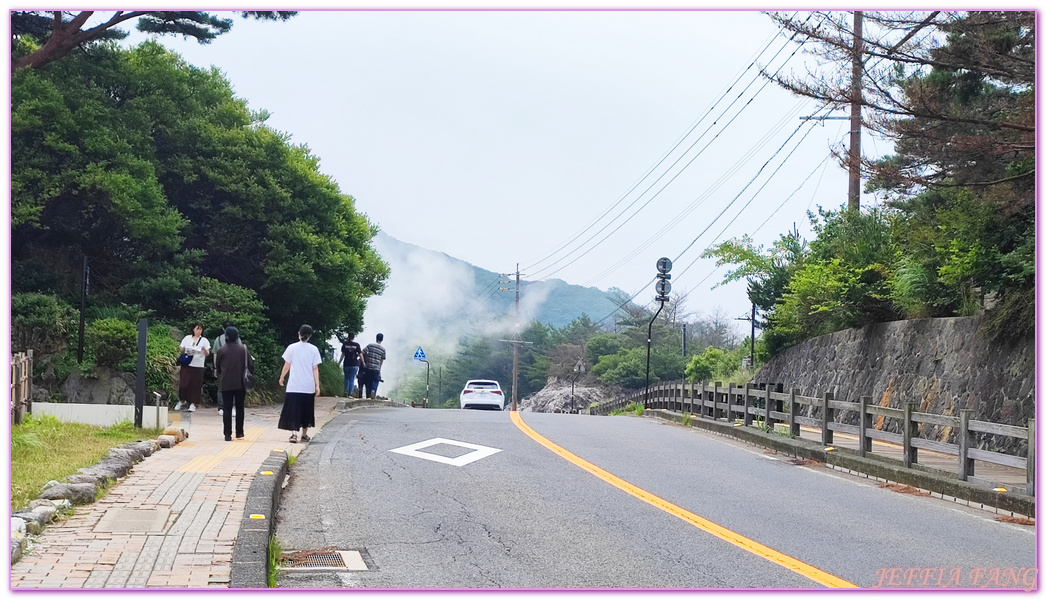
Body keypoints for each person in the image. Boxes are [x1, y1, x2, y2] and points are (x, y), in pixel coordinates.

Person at [277, 324, 322, 444]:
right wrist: (317, 385)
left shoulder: (292, 348)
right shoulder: (314, 349)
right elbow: (315, 368)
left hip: (294, 385)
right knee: (306, 410)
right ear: (310, 336)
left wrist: (282, 378)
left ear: (299, 334)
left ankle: (293, 435)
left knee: (293, 410)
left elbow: (287, 365)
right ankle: (304, 434)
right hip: (308, 386)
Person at [214, 326, 254, 442]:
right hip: (241, 383)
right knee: (240, 407)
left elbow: (218, 367)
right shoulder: (244, 349)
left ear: (226, 336)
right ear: (237, 336)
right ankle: (239, 432)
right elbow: (251, 366)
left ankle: (227, 434)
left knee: (227, 408)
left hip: (226, 383)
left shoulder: (222, 350)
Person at [176, 323, 210, 412]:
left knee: (196, 385)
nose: (199, 331)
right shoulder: (187, 338)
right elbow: (181, 349)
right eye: (197, 329)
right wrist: (185, 349)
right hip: (187, 364)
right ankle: (182, 400)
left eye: (200, 329)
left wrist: (203, 349)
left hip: (198, 364)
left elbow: (207, 354)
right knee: (184, 383)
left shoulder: (204, 340)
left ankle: (193, 403)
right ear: (193, 329)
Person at [361, 333, 386, 399]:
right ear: (382, 339)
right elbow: (381, 360)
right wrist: (379, 369)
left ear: (376, 338)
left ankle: (368, 396)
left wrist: (364, 362)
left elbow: (362, 352)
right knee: (375, 381)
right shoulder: (383, 349)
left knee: (368, 382)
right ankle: (373, 390)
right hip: (376, 368)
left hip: (368, 367)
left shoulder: (370, 345)